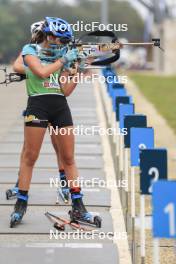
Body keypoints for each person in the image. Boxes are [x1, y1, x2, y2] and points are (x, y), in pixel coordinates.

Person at [10, 17, 94, 228]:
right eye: (61, 39)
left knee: (68, 158)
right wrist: (64, 60)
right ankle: (21, 203)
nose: (63, 44)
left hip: (59, 106)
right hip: (37, 105)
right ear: (49, 36)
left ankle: (78, 206)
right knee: (30, 156)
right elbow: (40, 72)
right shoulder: (31, 50)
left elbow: (64, 91)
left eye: (66, 41)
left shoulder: (62, 56)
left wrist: (78, 69)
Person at [6, 21, 69, 202]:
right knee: (28, 148)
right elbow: (17, 67)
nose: (36, 37)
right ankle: (20, 183)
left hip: (55, 98)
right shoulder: (31, 49)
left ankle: (63, 180)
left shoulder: (58, 49)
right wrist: (35, 69)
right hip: (37, 100)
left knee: (58, 143)